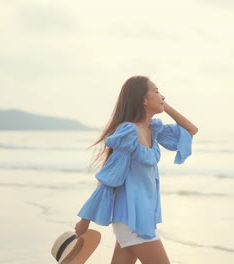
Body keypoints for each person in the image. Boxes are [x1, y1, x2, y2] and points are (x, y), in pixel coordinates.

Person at [74, 75, 198, 264]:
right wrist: (85, 220)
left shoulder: (152, 129)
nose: (162, 96)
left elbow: (191, 130)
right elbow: (110, 178)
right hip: (131, 218)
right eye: (156, 92)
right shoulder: (129, 132)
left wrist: (167, 107)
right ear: (143, 99)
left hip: (142, 217)